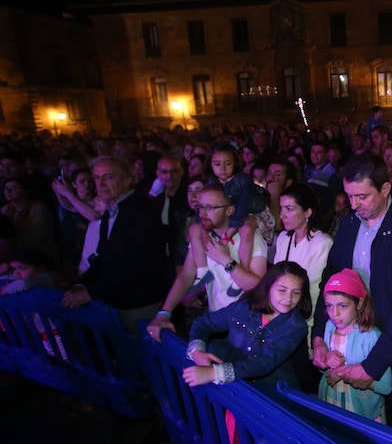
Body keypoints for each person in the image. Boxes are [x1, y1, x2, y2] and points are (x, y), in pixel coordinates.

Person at [312, 153, 392, 434]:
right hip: (351, 343)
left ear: (386, 189)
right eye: (350, 196)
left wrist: (373, 365)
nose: (354, 205)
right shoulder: (350, 224)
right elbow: (330, 281)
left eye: (362, 196)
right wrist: (318, 336)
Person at [147, 184, 268, 340]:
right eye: (201, 207)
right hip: (215, 323)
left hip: (246, 327)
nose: (203, 213)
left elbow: (259, 288)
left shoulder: (251, 237)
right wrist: (164, 312)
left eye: (210, 208)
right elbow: (186, 275)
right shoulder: (203, 236)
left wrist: (226, 261)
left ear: (229, 210)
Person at [63, 156, 167, 331]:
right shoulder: (112, 210)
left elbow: (137, 265)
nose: (100, 183)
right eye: (96, 177)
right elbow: (104, 257)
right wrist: (82, 284)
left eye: (108, 177)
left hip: (138, 303)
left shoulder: (142, 211)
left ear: (128, 179)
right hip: (116, 299)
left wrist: (91, 292)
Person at [182, 260, 309, 392]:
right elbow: (204, 323)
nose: (289, 298)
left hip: (268, 392)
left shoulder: (297, 326)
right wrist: (197, 351)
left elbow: (264, 363)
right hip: (234, 384)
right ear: (268, 286)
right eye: (282, 290)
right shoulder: (246, 306)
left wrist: (215, 373)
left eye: (296, 293)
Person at [189, 143, 269, 289]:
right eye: (217, 164)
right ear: (211, 165)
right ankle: (202, 270)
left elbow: (242, 209)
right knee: (195, 229)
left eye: (228, 164)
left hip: (251, 212)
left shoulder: (243, 180)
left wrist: (227, 235)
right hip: (228, 214)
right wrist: (202, 226)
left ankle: (242, 270)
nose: (222, 169)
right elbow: (202, 205)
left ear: (235, 163)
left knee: (246, 230)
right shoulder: (211, 182)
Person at [318, 268, 392, 422]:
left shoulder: (371, 337)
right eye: (329, 305)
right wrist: (326, 358)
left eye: (343, 306)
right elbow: (323, 371)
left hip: (363, 415)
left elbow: (386, 386)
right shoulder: (329, 327)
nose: (334, 313)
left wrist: (343, 373)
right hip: (332, 407)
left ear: (359, 303)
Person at [274, 183, 333, 316]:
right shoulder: (283, 238)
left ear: (307, 212)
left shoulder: (322, 243)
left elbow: (312, 290)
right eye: (281, 208)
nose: (282, 215)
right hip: (280, 312)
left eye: (289, 209)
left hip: (305, 315)